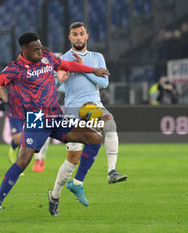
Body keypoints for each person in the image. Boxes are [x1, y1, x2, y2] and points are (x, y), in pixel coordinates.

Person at [0, 32, 110, 220]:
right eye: (35, 50)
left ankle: (77, 183)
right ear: (24, 50)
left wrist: (93, 70)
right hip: (36, 120)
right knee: (23, 162)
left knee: (95, 138)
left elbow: (68, 65)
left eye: (41, 48)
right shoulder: (15, 69)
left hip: (56, 116)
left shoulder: (48, 58)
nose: (40, 52)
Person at [47, 22, 127, 216]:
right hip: (73, 110)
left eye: (82, 34)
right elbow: (55, 83)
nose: (79, 37)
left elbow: (104, 82)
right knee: (72, 161)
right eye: (75, 34)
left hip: (91, 106)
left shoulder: (96, 57)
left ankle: (111, 171)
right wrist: (59, 79)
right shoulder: (64, 59)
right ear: (70, 37)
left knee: (109, 125)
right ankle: (55, 194)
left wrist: (84, 68)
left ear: (87, 36)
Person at [0, 83, 49, 172]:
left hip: (32, 110)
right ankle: (13, 151)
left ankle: (38, 160)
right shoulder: (11, 71)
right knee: (18, 139)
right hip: (15, 111)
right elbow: (0, 86)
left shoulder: (34, 73)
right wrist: (1, 100)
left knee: (37, 136)